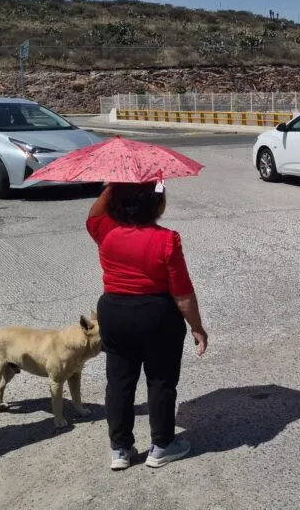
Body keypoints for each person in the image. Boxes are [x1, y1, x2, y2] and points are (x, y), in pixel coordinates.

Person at [87, 182, 209, 470]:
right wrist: (197, 328)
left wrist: (112, 186)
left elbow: (93, 215)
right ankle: (162, 445)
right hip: (157, 315)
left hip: (114, 312)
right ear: (157, 204)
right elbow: (182, 293)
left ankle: (120, 449)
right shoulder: (167, 239)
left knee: (119, 382)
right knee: (161, 381)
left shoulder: (107, 232)